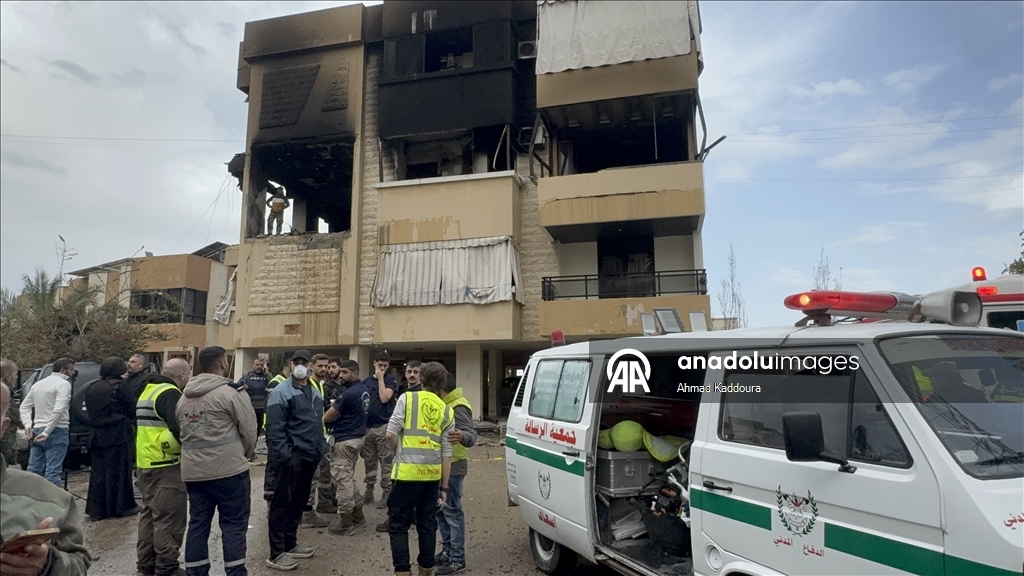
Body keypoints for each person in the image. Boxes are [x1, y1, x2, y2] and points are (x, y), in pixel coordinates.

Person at [176, 346, 257, 576]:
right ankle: (235, 572)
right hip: (229, 471)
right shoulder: (231, 393)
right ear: (222, 363)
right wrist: (242, 454)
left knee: (198, 523)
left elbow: (182, 430)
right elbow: (249, 431)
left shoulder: (183, 397)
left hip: (193, 473)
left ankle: (196, 572)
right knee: (233, 525)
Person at [0, 383, 92, 576]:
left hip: (44, 430)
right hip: (48, 429)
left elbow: (78, 566)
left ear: (3, 427)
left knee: (49, 469)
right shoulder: (60, 387)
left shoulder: (52, 501)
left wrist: (48, 564)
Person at [386, 362, 454, 576]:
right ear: (442, 383)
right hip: (431, 477)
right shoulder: (447, 410)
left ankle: (402, 571)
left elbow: (390, 434)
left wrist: (399, 453)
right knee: (427, 525)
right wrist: (444, 488)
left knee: (398, 525)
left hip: (405, 475)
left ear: (422, 379)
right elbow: (447, 453)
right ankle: (426, 570)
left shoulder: (407, 399)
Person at [264, 350, 326, 571]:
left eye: (304, 363)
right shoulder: (280, 392)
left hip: (310, 456)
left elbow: (316, 423)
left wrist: (320, 448)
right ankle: (276, 552)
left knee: (298, 502)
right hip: (291, 458)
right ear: (291, 365)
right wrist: (285, 456)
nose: (301, 366)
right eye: (297, 362)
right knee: (281, 504)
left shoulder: (314, 391)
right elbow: (274, 429)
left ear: (310, 366)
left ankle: (290, 543)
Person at [135, 358, 190, 576]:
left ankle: (146, 564)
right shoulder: (170, 393)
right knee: (168, 519)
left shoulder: (148, 390)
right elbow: (180, 428)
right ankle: (167, 567)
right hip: (166, 465)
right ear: (182, 375)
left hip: (145, 463)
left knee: (149, 517)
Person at [84, 357, 140, 520]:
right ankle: (121, 507)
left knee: (98, 474)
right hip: (118, 434)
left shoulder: (93, 386)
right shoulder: (120, 386)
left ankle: (97, 509)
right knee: (119, 472)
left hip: (96, 435)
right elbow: (131, 408)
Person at [434, 373, 476, 575]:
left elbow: (472, 436)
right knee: (441, 511)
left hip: (454, 465)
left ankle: (457, 559)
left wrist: (462, 436)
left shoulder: (458, 406)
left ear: (440, 387)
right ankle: (447, 552)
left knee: (452, 512)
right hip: (440, 465)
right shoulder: (442, 403)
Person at [323, 360, 371, 536]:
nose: (340, 375)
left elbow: (328, 416)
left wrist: (323, 417)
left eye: (344, 372)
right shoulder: (364, 391)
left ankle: (345, 522)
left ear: (355, 373)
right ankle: (358, 515)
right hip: (357, 438)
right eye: (341, 372)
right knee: (348, 478)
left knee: (342, 480)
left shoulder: (348, 393)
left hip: (345, 440)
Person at [19, 357, 74, 486]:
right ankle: (52, 498)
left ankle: (31, 495)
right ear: (63, 370)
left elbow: (24, 406)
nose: (73, 373)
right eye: (71, 369)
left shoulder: (38, 384)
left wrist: (28, 425)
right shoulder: (64, 384)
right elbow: (59, 409)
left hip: (37, 428)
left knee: (34, 469)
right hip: (58, 429)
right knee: (53, 471)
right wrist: (48, 431)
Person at [362, 351, 400, 518]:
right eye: (379, 365)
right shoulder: (365, 382)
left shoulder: (390, 380)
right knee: (369, 461)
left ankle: (386, 491)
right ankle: (369, 489)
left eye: (385, 366)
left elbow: (385, 398)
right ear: (374, 363)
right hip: (367, 427)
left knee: (386, 461)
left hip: (383, 426)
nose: (382, 368)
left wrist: (380, 379)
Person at [302, 354, 337, 526]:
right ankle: (306, 513)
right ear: (311, 366)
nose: (324, 369)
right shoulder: (307, 386)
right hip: (310, 439)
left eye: (326, 366)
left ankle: (323, 503)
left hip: (320, 437)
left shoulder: (320, 386)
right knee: (311, 476)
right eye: (320, 366)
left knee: (323, 474)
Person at [238, 357, 271, 441]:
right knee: (250, 430)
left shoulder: (267, 377)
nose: (259, 367)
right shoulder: (247, 377)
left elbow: (273, 384)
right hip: (251, 407)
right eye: (257, 365)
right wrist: (243, 387)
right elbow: (237, 387)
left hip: (262, 408)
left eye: (261, 365)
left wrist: (267, 373)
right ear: (253, 365)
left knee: (258, 430)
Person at [0, 358, 20, 464]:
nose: (17, 377)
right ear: (8, 377)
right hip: (4, 445)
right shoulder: (3, 396)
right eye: (15, 374)